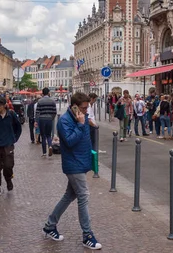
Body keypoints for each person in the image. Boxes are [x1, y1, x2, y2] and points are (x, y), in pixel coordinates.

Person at [42, 92, 102, 250]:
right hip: (73, 163)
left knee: (69, 195)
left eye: (87, 108)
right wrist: (82, 125)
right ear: (74, 106)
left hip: (81, 161)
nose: (85, 111)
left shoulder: (80, 117)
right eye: (83, 108)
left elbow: (84, 140)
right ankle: (87, 235)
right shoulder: (65, 121)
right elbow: (69, 141)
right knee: (83, 195)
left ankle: (50, 225)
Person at [36, 88, 58, 158]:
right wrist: (52, 118)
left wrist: (36, 121)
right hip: (49, 119)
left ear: (42, 93)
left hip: (42, 119)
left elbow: (37, 113)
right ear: (48, 93)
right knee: (48, 135)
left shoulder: (40, 101)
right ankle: (50, 146)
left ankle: (44, 152)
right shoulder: (52, 101)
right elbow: (54, 112)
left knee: (43, 136)